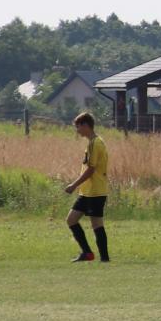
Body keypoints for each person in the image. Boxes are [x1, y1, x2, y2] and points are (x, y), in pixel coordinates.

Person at [61, 111, 110, 263]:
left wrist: (73, 185)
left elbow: (91, 170)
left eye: (78, 126)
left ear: (86, 125)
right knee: (71, 220)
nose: (77, 130)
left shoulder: (95, 143)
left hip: (95, 191)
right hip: (87, 191)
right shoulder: (93, 142)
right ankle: (87, 253)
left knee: (96, 224)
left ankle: (104, 259)